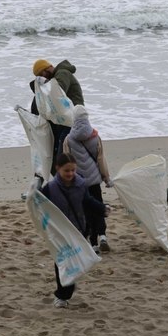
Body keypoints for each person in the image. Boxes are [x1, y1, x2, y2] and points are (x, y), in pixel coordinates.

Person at [41, 153, 108, 308]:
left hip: (79, 230)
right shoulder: (50, 189)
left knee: (75, 262)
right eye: (66, 171)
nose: (70, 174)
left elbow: (88, 202)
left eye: (73, 170)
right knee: (62, 262)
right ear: (57, 169)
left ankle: (67, 287)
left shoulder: (81, 184)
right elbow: (40, 206)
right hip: (60, 234)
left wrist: (102, 209)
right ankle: (62, 296)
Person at [62, 105, 113, 253]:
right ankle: (103, 235)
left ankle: (93, 243)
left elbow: (66, 161)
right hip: (94, 180)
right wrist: (107, 178)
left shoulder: (69, 139)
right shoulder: (95, 137)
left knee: (85, 211)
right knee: (98, 207)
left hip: (79, 182)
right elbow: (101, 159)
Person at [30, 59, 85, 175]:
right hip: (64, 121)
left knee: (61, 155)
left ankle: (62, 183)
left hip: (73, 120)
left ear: (49, 67)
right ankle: (58, 183)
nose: (42, 76)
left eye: (42, 73)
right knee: (54, 155)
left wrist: (40, 85)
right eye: (39, 76)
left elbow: (57, 93)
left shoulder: (63, 73)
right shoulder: (54, 79)